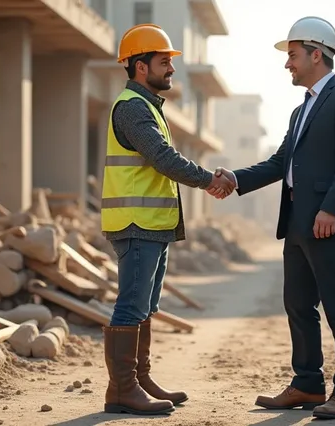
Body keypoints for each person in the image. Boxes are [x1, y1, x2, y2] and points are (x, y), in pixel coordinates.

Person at [210, 16, 335, 420]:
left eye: (294, 56)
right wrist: (235, 178)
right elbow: (281, 162)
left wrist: (331, 208)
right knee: (298, 305)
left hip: (329, 222)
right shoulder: (301, 111)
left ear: (317, 54)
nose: (288, 64)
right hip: (299, 221)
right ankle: (308, 384)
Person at [100, 23, 235, 416]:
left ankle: (139, 379)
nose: (171, 69)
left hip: (151, 226)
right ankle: (122, 389)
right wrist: (210, 180)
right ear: (140, 67)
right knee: (131, 306)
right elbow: (163, 159)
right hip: (136, 224)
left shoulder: (147, 108)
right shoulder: (132, 109)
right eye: (164, 62)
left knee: (145, 305)